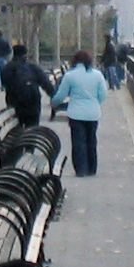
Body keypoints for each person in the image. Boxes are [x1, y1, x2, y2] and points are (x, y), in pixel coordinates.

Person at [52, 48, 108, 177]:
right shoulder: (97, 75)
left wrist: (54, 102)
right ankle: (92, 168)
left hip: (76, 113)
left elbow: (61, 95)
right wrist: (95, 102)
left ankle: (81, 169)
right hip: (93, 112)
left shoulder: (70, 75)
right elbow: (103, 94)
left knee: (78, 141)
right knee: (91, 140)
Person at [0, 44, 49, 129]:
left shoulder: (7, 68)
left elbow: (4, 83)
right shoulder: (33, 67)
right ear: (25, 54)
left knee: (16, 127)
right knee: (32, 128)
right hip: (33, 103)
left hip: (15, 103)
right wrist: (54, 96)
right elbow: (45, 83)